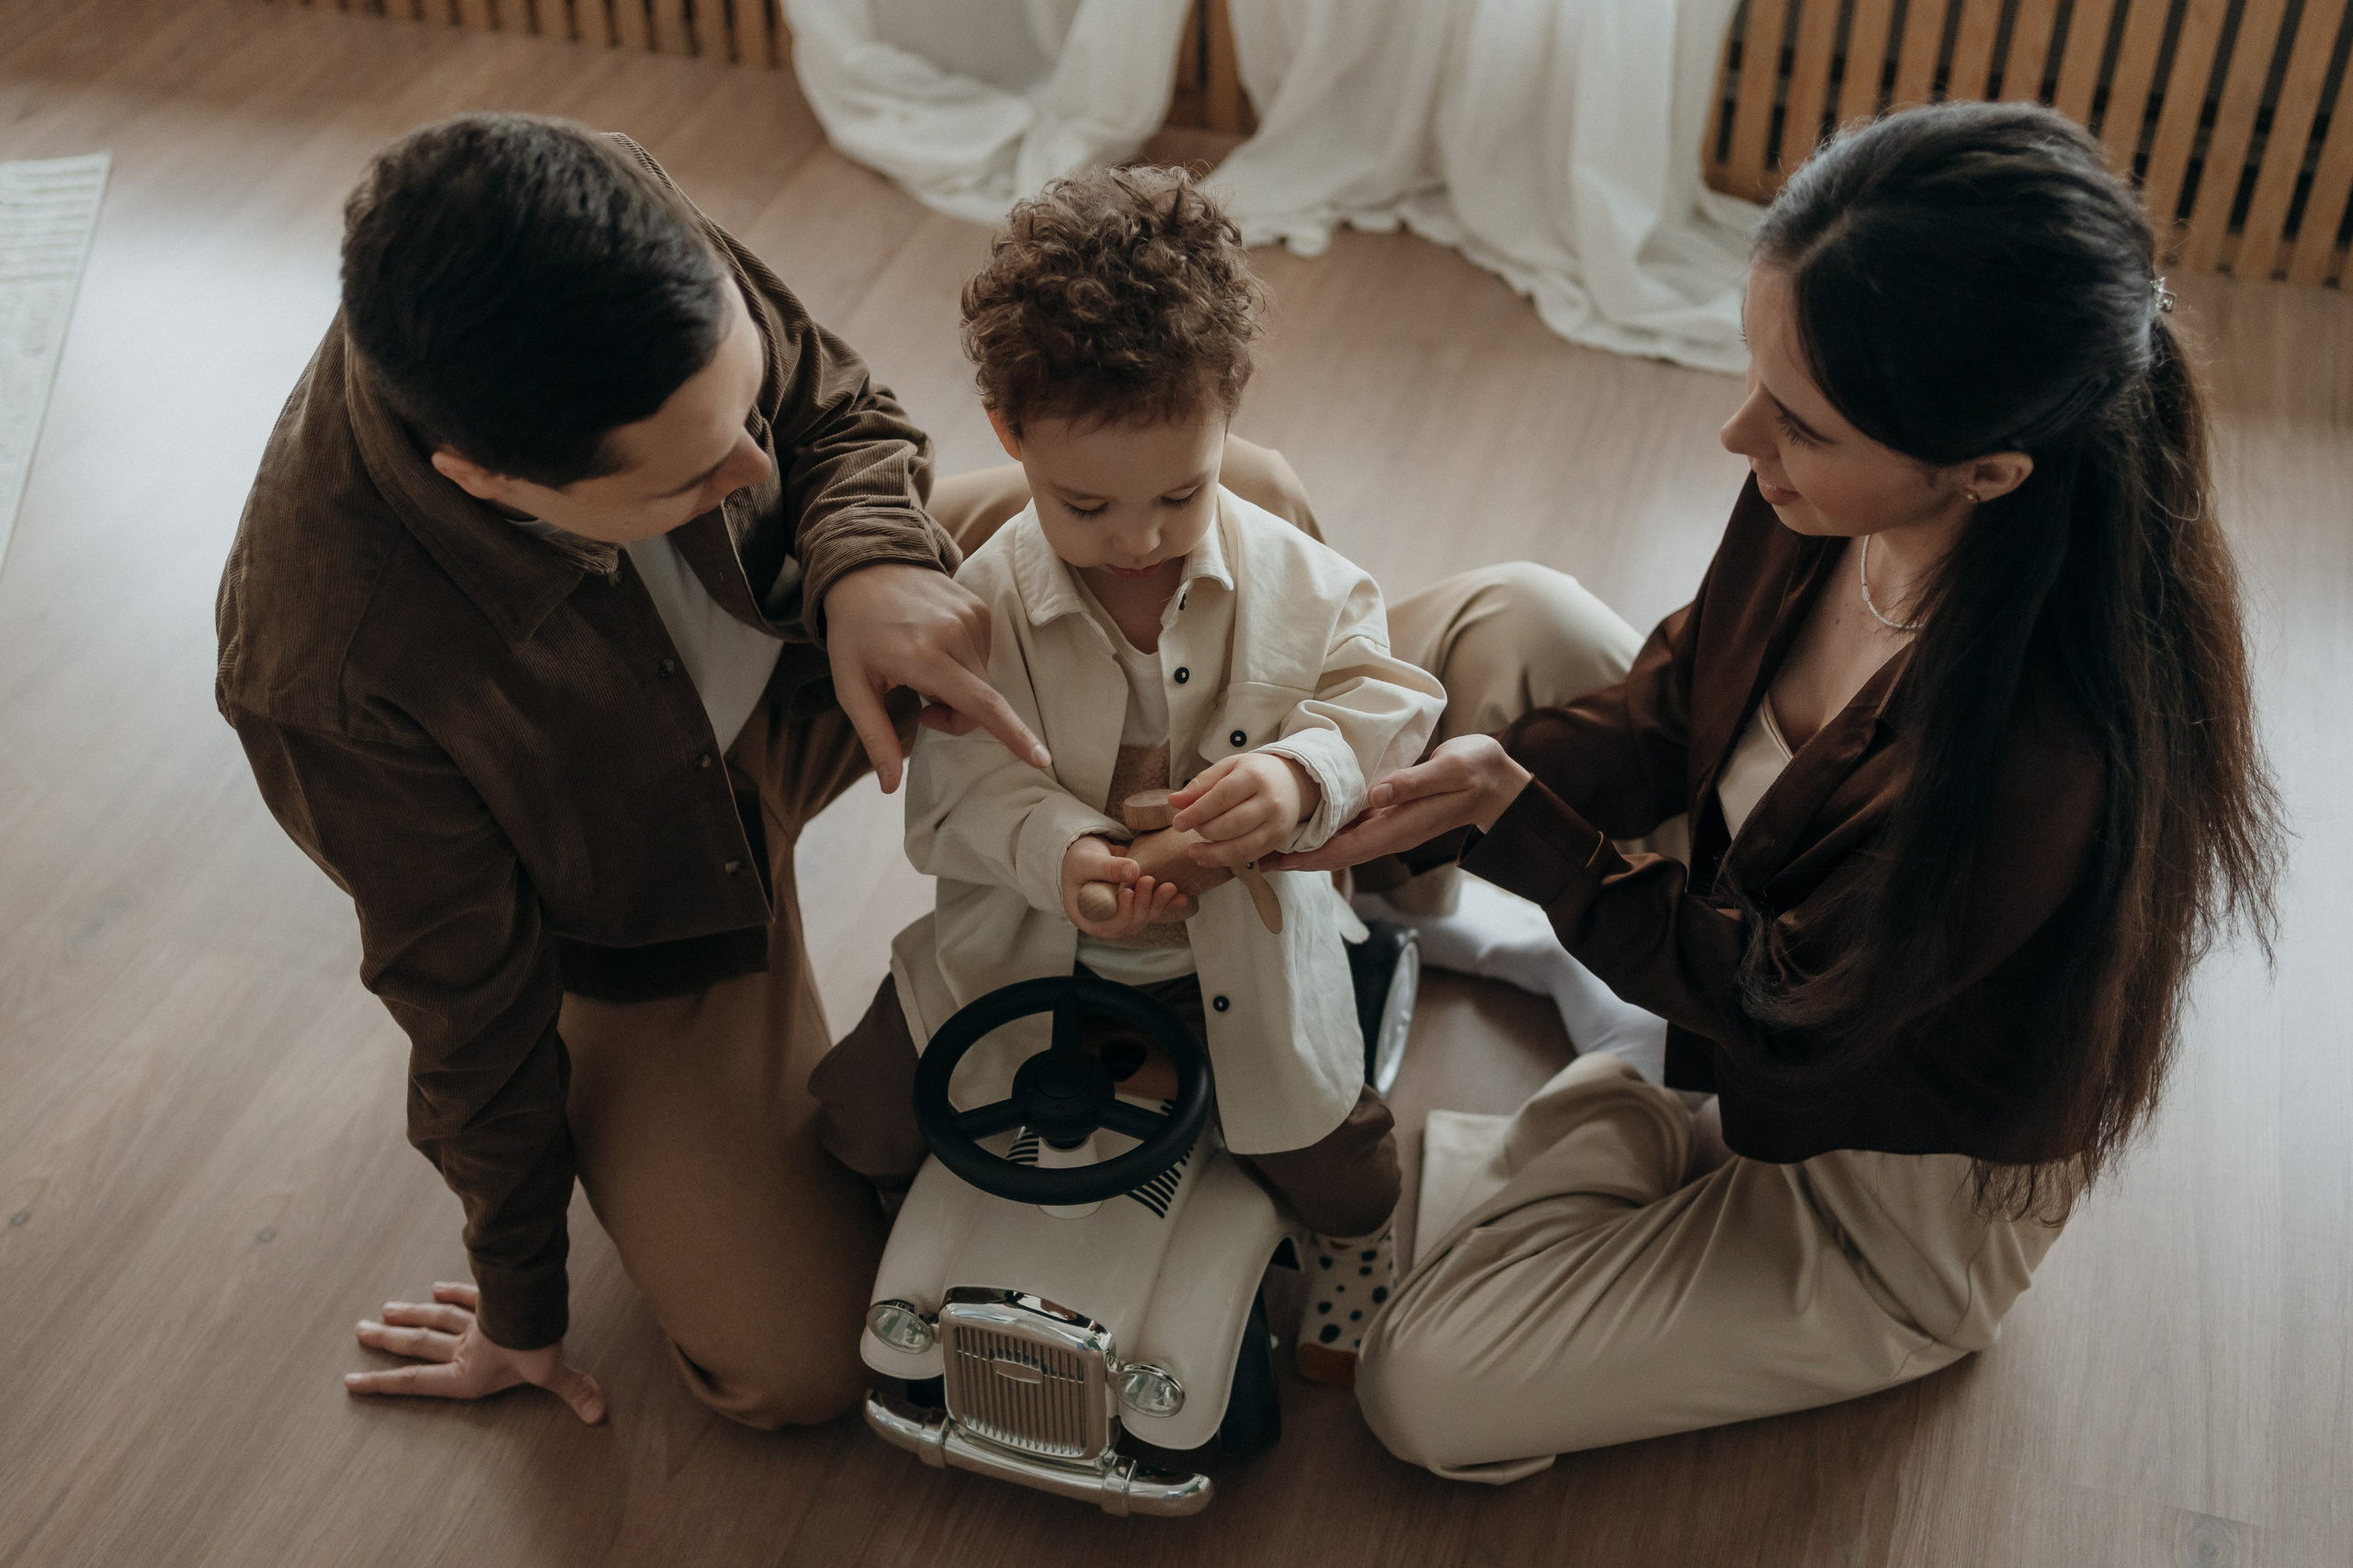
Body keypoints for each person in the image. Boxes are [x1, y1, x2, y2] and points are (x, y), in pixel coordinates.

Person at [217, 114, 1622, 1428]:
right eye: (690, 481)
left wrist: (867, 559)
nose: (752, 468)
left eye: (743, 414)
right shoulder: (327, 663)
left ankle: (1351, 822)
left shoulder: (599, 218)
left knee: (1224, 486)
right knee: (792, 1362)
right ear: (486, 481)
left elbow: (838, 413)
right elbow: (464, 1001)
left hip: (826, 644)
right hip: (648, 871)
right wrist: (519, 1295)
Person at [1266, 102, 2282, 1479]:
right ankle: (1595, 1014)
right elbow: (1670, 704)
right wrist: (1393, 799)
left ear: (1987, 471)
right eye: (1754, 372)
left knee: (1425, 1390)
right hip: (1742, 920)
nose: (1739, 431)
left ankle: (1625, 1070)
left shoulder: (2039, 753)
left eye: (1799, 420)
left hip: (1859, 1179)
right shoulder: (1822, 495)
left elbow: (1787, 1015)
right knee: (1511, 616)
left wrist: (1523, 831)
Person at [809, 167, 1445, 1385]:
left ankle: (1356, 1250)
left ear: (1227, 420)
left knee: (1340, 1162)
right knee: (863, 1115)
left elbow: (1387, 696)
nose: (1141, 538)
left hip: (1239, 958)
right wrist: (1065, 855)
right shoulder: (981, 605)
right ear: (1009, 436)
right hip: (1023, 947)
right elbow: (956, 796)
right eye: (1087, 503)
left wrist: (1301, 775)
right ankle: (928, 1212)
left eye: (1183, 493)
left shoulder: (1303, 581)